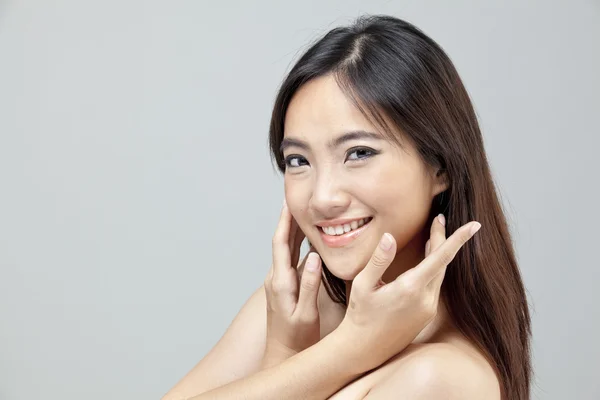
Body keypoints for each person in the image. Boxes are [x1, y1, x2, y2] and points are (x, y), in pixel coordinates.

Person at [162, 14, 531, 400]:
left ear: (440, 166)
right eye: (298, 161)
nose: (322, 197)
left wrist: (348, 349)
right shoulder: (303, 300)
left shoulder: (440, 379)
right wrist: (285, 351)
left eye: (358, 153)